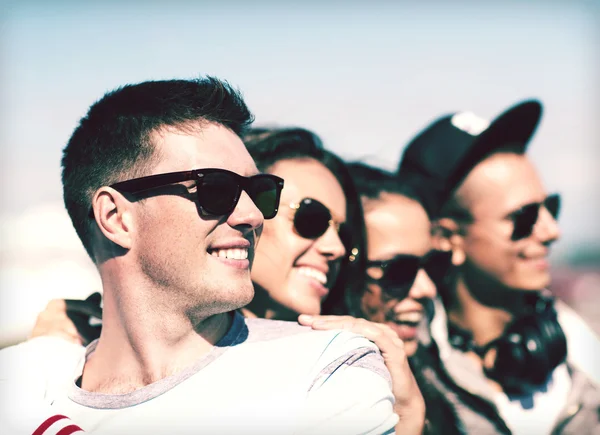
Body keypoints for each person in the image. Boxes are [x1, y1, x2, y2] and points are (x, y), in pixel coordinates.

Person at [0, 77, 401, 434]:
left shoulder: (327, 370)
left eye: (260, 191)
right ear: (116, 217)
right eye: (215, 189)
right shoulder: (25, 387)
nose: (252, 215)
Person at [396, 99, 600, 434]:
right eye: (524, 217)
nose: (552, 231)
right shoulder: (405, 371)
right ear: (447, 237)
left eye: (551, 207)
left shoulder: (578, 343)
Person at [301, 162, 463, 435]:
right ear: (340, 267)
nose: (427, 289)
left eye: (433, 265)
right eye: (399, 271)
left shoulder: (433, 375)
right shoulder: (311, 396)